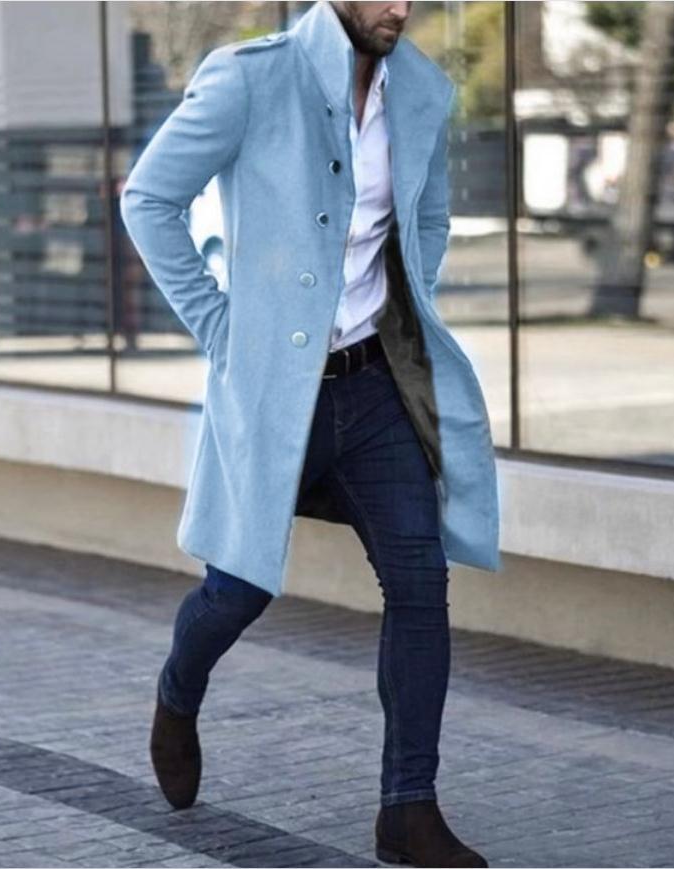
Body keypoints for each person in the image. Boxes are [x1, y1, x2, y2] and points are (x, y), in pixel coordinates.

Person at [120, 2, 499, 866]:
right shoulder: (251, 78)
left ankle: (407, 809)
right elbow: (149, 199)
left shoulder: (420, 92)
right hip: (272, 392)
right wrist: (223, 330)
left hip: (373, 387)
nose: (399, 8)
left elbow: (426, 221)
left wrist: (402, 307)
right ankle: (177, 692)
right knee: (238, 588)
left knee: (419, 580)